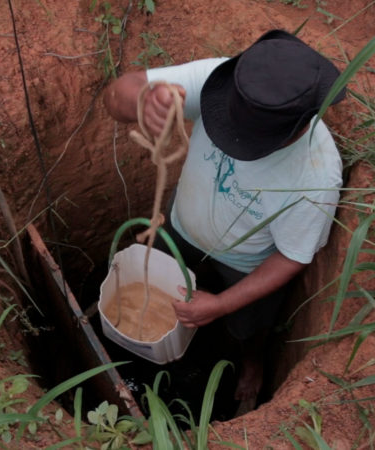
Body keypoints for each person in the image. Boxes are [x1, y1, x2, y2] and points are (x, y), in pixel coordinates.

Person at [103, 29, 346, 409]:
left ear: (299, 126)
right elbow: (119, 93)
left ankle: (252, 364)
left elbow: (292, 257)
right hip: (182, 227)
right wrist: (143, 100)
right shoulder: (224, 81)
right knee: (161, 292)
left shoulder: (316, 175)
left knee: (248, 327)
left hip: (246, 264)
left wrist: (220, 305)